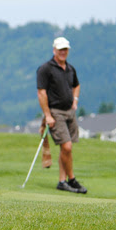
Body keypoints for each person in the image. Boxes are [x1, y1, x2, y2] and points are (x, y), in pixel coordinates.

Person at [36, 36, 88, 194]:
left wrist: (75, 100)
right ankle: (72, 179)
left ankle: (62, 181)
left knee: (66, 149)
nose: (63, 52)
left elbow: (76, 85)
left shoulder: (70, 69)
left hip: (69, 112)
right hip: (55, 112)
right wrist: (48, 115)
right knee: (66, 146)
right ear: (54, 50)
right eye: (60, 49)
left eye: (65, 49)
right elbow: (41, 93)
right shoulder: (45, 69)